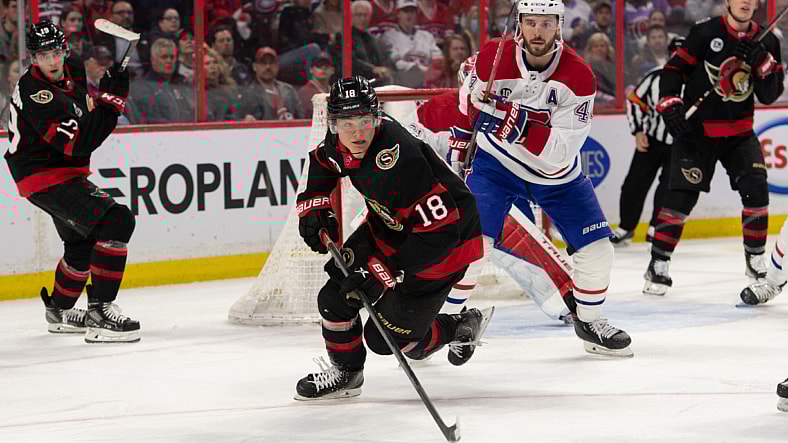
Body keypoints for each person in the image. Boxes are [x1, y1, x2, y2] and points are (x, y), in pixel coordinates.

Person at [448, 0, 632, 357]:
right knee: (471, 247)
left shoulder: (579, 75)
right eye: (531, 22)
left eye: (546, 23)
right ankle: (445, 323)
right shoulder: (493, 56)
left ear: (559, 25)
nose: (537, 31)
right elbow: (468, 104)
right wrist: (461, 146)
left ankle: (590, 322)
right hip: (496, 166)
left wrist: (512, 121)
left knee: (598, 250)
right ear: (519, 24)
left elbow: (560, 152)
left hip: (558, 176)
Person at [293, 75, 493, 400]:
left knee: (387, 339)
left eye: (364, 121)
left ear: (376, 118)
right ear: (333, 124)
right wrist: (315, 207)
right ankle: (347, 373)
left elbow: (440, 234)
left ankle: (458, 326)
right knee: (335, 297)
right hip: (390, 228)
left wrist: (382, 270)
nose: (357, 133)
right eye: (347, 123)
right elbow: (322, 164)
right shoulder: (340, 143)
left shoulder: (402, 161)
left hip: (445, 246)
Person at [3, 21, 139, 342]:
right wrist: (111, 102)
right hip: (43, 175)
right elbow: (80, 143)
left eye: (56, 52)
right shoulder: (36, 94)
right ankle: (100, 313)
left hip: (60, 170)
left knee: (80, 243)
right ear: (32, 59)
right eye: (43, 56)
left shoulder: (72, 67)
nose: (52, 61)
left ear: (65, 51)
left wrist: (108, 89)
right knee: (117, 222)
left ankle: (60, 311)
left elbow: (85, 116)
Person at [645, 0, 784, 296]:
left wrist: (762, 63)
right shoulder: (705, 33)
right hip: (696, 132)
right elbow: (673, 71)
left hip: (739, 133)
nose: (745, 2)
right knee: (680, 198)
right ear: (728, 1)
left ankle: (755, 260)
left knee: (756, 188)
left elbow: (770, 95)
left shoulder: (768, 40)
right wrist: (670, 104)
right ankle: (658, 263)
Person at [611, 37, 685, 246]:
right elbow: (635, 101)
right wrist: (638, 131)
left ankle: (657, 228)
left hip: (681, 144)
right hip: (652, 140)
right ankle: (626, 227)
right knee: (634, 184)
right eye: (675, 53)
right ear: (669, 55)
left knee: (669, 188)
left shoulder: (697, 80)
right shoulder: (655, 77)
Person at [242, 46, 304, 120]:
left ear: (277, 66)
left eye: (271, 62)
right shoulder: (248, 93)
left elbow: (300, 117)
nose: (268, 67)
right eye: (263, 63)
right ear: (254, 67)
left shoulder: (289, 90)